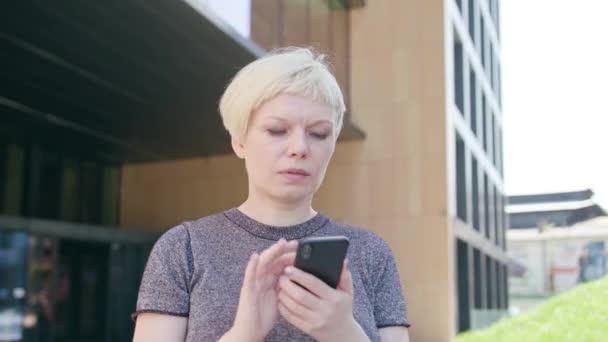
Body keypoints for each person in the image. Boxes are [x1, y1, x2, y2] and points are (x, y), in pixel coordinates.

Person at [132, 47, 410, 342]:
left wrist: (344, 334)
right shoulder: (183, 249)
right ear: (239, 141)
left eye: (318, 133)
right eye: (277, 130)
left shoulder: (371, 254)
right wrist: (244, 334)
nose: (299, 148)